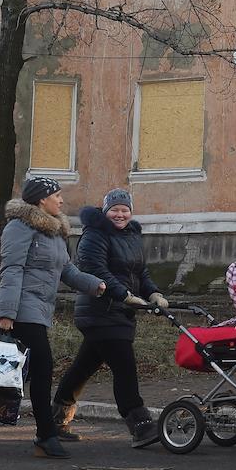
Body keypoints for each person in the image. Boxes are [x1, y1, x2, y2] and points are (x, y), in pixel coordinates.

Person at [0, 177, 105, 458]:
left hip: (41, 309)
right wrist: (6, 314)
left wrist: (96, 285)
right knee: (43, 368)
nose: (60, 200)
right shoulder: (19, 228)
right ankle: (45, 436)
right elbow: (11, 270)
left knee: (20, 374)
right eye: (56, 195)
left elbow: (67, 271)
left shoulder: (55, 232)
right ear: (40, 200)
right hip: (22, 309)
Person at [52, 188, 169, 447]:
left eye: (124, 209)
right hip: (99, 311)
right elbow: (95, 270)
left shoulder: (131, 235)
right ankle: (140, 424)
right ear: (105, 211)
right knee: (124, 367)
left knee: (83, 367)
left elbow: (141, 272)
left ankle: (55, 421)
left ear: (130, 212)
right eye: (114, 209)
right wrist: (123, 295)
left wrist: (153, 293)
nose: (120, 214)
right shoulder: (94, 235)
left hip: (120, 312)